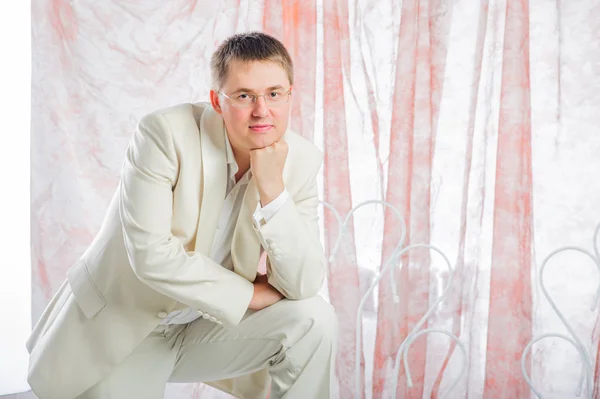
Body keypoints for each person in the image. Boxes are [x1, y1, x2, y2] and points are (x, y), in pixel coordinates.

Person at [26, 31, 338, 399]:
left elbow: (303, 284)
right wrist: (249, 296)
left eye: (274, 93)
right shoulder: (163, 134)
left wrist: (273, 193)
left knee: (314, 320)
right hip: (125, 328)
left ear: (289, 95)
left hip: (205, 328)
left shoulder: (300, 160)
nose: (261, 110)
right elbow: (151, 255)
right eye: (244, 96)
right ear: (216, 101)